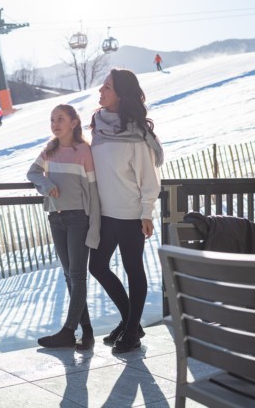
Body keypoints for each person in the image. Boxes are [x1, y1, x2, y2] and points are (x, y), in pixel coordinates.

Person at [88, 68, 164, 354]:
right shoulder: (98, 125)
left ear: (120, 94)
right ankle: (130, 321)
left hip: (131, 214)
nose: (101, 92)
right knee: (97, 266)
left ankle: (131, 331)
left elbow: (149, 179)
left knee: (133, 269)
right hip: (106, 213)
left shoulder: (136, 135)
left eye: (106, 87)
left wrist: (147, 212)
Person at [27, 104, 101, 350]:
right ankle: (87, 331)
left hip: (79, 218)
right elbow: (33, 173)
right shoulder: (49, 150)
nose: (55, 124)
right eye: (52, 120)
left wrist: (94, 226)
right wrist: (46, 185)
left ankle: (69, 331)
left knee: (78, 275)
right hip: (55, 218)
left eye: (60, 119)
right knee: (70, 276)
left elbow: (92, 191)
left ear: (73, 122)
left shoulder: (84, 151)